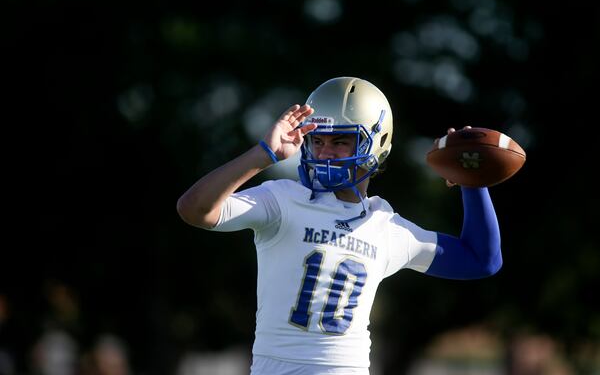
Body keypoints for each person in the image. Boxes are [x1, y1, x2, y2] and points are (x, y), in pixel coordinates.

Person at [176, 76, 502, 375]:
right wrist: (262, 155)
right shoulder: (282, 199)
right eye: (317, 141)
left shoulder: (385, 226)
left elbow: (481, 260)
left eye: (340, 142)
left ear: (375, 145)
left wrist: (472, 183)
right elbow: (194, 209)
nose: (325, 153)